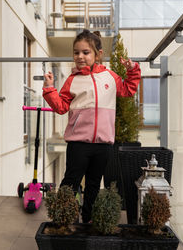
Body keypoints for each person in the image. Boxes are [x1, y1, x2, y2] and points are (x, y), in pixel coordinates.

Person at [42, 29, 141, 223]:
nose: (80, 56)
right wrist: (49, 89)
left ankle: (87, 219)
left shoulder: (110, 77)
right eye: (76, 52)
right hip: (78, 143)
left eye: (85, 52)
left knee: (94, 184)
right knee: (71, 182)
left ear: (98, 54)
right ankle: (63, 219)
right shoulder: (72, 80)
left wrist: (133, 69)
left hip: (103, 144)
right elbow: (61, 107)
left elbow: (128, 90)